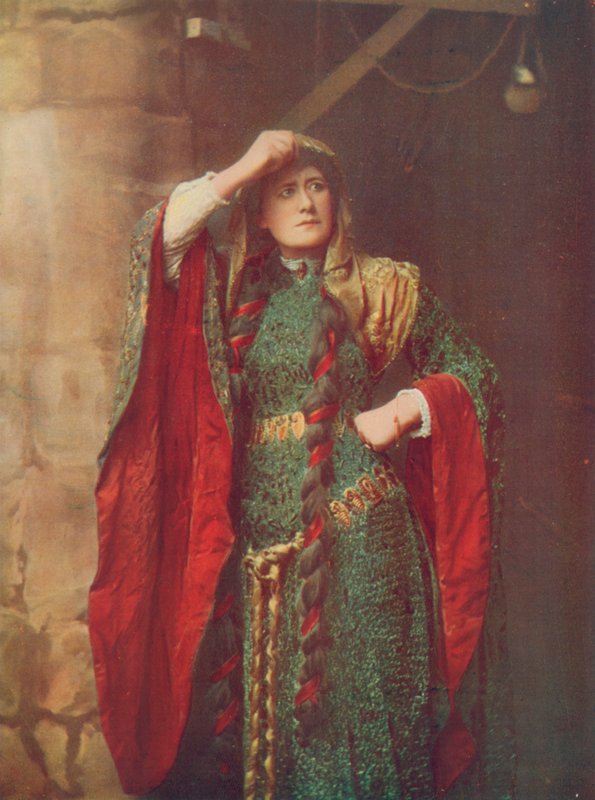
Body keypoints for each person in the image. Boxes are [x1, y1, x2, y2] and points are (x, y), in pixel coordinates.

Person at [88, 131, 515, 799]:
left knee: (357, 726)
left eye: (317, 186)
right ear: (259, 212)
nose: (305, 202)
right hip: (259, 550)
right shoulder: (231, 290)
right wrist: (247, 166)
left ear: (338, 200)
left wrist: (405, 408)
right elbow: (158, 241)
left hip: (361, 538)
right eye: (285, 191)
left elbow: (473, 371)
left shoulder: (381, 285)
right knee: (272, 734)